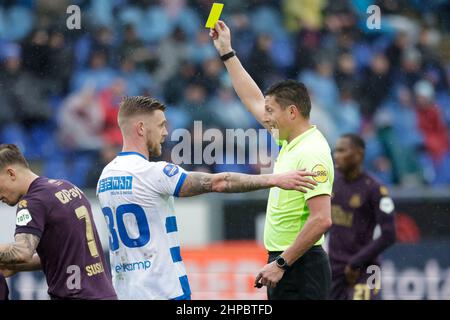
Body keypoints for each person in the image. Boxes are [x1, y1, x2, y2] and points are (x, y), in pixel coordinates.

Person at [96, 96, 319, 300]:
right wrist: (275, 179)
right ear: (141, 128)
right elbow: (218, 182)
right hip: (162, 290)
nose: (166, 132)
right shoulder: (152, 173)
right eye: (161, 125)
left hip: (125, 292)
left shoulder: (105, 177)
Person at [210, 21, 334, 300]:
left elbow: (322, 219)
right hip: (288, 262)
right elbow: (251, 98)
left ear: (292, 112)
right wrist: (227, 52)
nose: (264, 116)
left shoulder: (312, 151)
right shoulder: (288, 140)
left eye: (270, 111)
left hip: (301, 266)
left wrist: (281, 263)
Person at [0, 144, 117, 300]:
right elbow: (63, 256)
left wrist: (12, 256)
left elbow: (22, 252)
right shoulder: (68, 187)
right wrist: (14, 266)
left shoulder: (32, 202)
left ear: (10, 173)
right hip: (104, 294)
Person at [330, 134, 396, 300]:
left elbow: (389, 234)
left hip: (365, 270)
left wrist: (356, 262)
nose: (336, 155)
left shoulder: (374, 189)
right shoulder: (332, 183)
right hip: (334, 269)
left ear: (359, 154)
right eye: (336, 150)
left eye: (342, 150)